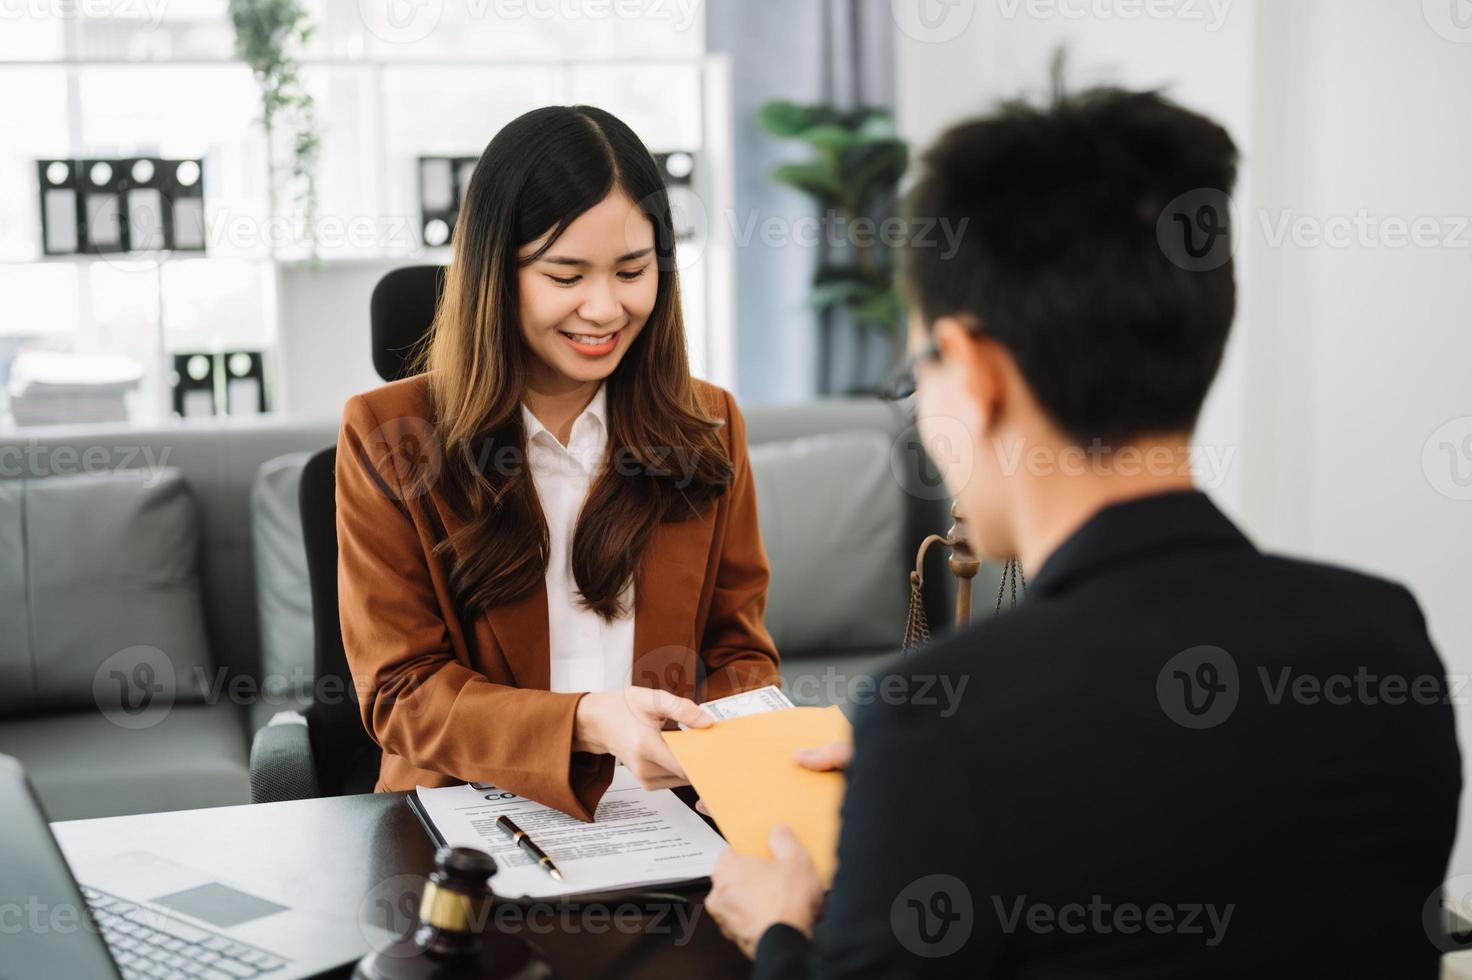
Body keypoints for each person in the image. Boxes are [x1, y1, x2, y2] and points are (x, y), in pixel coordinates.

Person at [705, 83, 1462, 977]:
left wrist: (780, 932)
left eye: (922, 368)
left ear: (978, 370)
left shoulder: (940, 727)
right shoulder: (1386, 641)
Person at [335, 105, 780, 819]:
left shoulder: (708, 425)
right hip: (473, 818)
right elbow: (401, 692)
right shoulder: (390, 434)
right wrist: (581, 721)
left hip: (668, 815)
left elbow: (738, 652)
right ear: (495, 274)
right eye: (566, 274)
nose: (604, 308)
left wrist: (726, 744)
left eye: (632, 271)